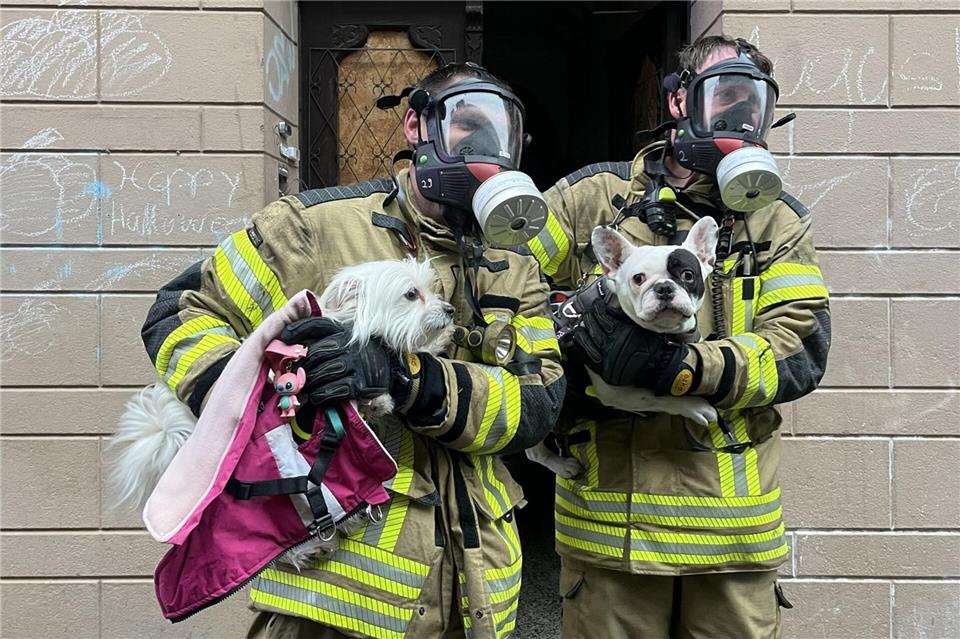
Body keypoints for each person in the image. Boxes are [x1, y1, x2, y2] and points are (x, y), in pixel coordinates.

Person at [141, 62, 565, 639]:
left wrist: (407, 378)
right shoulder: (315, 227)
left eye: (502, 131)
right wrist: (266, 391)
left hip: (476, 596)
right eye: (468, 123)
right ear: (417, 126)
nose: (486, 144)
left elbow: (535, 406)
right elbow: (182, 312)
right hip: (332, 595)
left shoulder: (516, 266)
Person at [525, 35, 831, 638]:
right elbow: (508, 285)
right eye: (724, 96)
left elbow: (799, 349)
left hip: (729, 539)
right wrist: (560, 365)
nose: (739, 116)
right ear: (679, 102)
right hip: (610, 533)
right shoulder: (595, 201)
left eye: (753, 103)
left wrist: (683, 369)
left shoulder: (775, 222)